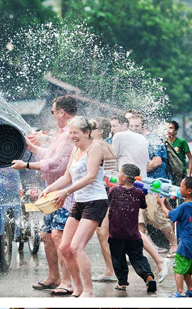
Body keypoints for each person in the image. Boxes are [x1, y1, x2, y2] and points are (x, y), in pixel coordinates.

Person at [13, 97, 78, 295]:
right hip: (50, 192)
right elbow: (48, 156)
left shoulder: (70, 134)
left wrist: (26, 165)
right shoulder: (60, 135)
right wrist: (31, 147)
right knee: (46, 235)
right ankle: (53, 277)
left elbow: (57, 164)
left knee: (59, 237)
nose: (53, 116)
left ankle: (67, 282)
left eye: (53, 112)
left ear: (62, 113)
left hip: (65, 195)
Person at [38, 116, 108, 297]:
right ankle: (77, 288)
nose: (72, 136)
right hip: (80, 202)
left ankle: (89, 291)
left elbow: (91, 176)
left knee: (77, 246)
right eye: (70, 133)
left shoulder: (95, 148)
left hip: (95, 201)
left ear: (87, 132)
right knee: (64, 247)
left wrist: (66, 192)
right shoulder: (75, 150)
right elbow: (67, 177)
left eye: (75, 133)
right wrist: (49, 189)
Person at [112, 114, 169, 275]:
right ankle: (145, 259)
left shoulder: (120, 137)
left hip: (128, 187)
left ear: (124, 125)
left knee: (136, 228)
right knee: (138, 226)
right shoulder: (142, 139)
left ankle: (158, 259)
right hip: (139, 186)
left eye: (114, 126)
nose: (113, 129)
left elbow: (111, 157)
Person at [107, 164, 156, 293]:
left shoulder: (114, 191)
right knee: (138, 258)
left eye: (120, 173)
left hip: (116, 234)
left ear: (125, 177)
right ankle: (148, 278)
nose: (118, 175)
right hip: (133, 234)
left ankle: (122, 283)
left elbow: (109, 207)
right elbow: (143, 205)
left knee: (118, 259)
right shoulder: (138, 192)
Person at [160, 176, 192, 297]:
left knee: (178, 266)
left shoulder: (184, 206)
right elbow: (176, 214)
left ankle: (180, 291)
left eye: (181, 186)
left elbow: (169, 215)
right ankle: (191, 289)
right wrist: (166, 204)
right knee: (186, 268)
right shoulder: (191, 204)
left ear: (189, 191)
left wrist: (161, 204)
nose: (178, 188)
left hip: (185, 241)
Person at [90, 117, 117, 282]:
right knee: (105, 232)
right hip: (110, 192)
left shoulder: (98, 145)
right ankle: (111, 269)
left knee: (102, 233)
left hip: (106, 193)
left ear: (100, 131)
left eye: (92, 127)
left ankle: (110, 271)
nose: (89, 129)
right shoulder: (106, 144)